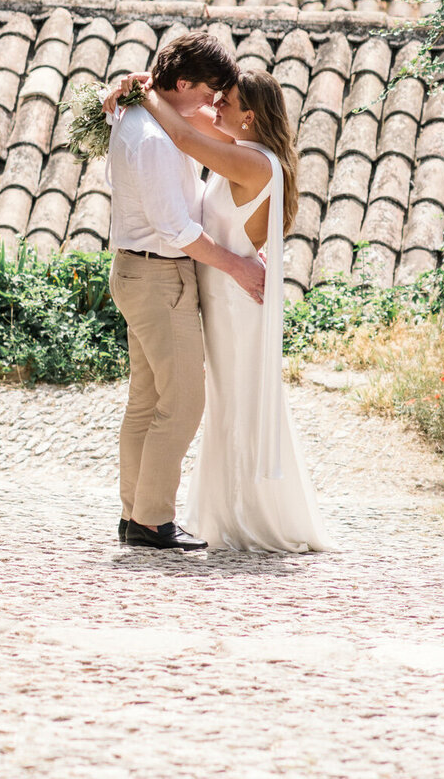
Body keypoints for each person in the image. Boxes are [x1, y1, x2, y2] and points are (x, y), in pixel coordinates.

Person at [111, 67, 334, 554]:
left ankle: (248, 513)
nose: (216, 109)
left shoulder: (252, 162)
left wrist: (143, 93)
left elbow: (181, 134)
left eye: (225, 103)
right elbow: (186, 122)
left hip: (235, 298)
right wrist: (120, 94)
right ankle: (197, 509)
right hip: (218, 290)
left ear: (249, 117)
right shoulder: (242, 148)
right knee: (217, 400)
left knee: (234, 400)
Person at [105, 31, 265, 552]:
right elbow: (175, 228)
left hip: (139, 272)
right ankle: (152, 520)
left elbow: (183, 128)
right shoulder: (151, 138)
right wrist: (238, 266)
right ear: (182, 82)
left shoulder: (142, 119)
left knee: (147, 400)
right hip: (158, 277)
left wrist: (129, 88)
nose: (212, 105)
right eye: (208, 93)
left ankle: (137, 515)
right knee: (184, 402)